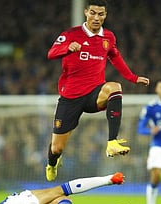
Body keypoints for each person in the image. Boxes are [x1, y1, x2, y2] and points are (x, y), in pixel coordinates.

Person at [45, 0, 150, 181]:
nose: (96, 18)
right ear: (86, 12)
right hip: (71, 97)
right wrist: (67, 48)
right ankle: (52, 163)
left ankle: (112, 142)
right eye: (93, 13)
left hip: (94, 93)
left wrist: (132, 77)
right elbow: (51, 53)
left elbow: (115, 57)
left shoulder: (108, 37)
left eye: (100, 14)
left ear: (105, 16)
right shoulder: (71, 34)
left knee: (115, 88)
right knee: (57, 148)